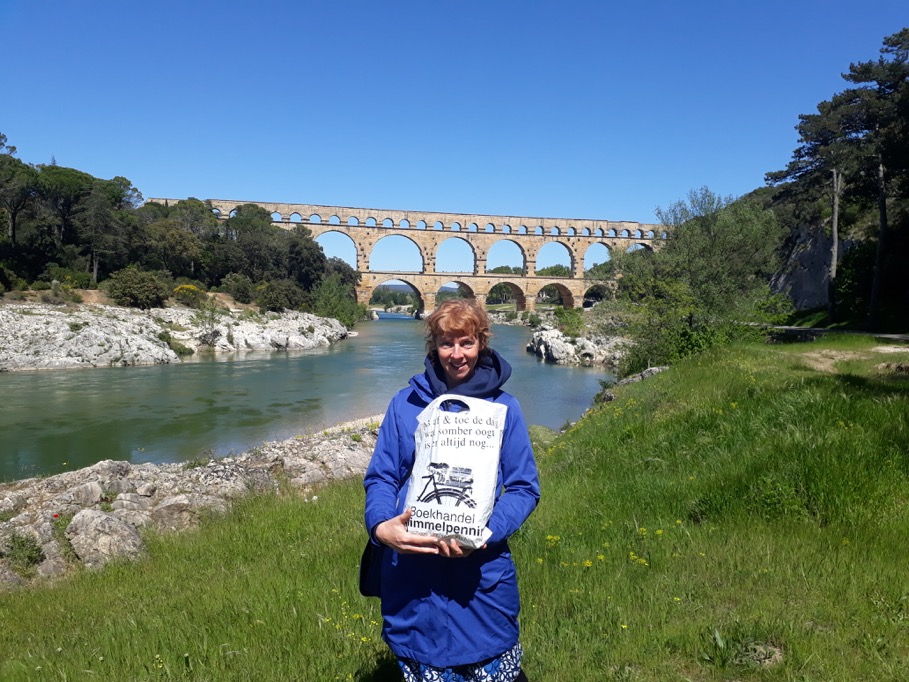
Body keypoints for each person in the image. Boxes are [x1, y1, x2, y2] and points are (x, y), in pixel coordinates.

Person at [364, 299, 540, 682]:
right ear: (434, 346)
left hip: (479, 578)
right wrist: (380, 528)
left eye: (467, 343)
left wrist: (487, 533)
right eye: (447, 343)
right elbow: (381, 477)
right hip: (413, 578)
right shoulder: (404, 403)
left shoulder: (505, 408)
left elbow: (525, 487)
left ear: (482, 344)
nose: (457, 355)